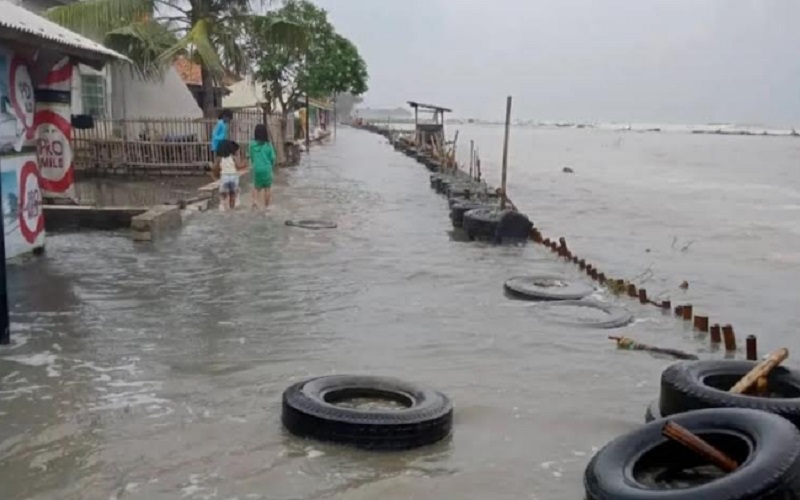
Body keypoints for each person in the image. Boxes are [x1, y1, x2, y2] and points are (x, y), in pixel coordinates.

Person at [249, 124, 276, 210]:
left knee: (256, 187)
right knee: (267, 188)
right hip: (267, 169)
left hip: (257, 169)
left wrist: (254, 163)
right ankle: (266, 206)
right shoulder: (268, 145)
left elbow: (251, 157)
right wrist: (271, 167)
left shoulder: (251, 145)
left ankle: (255, 202)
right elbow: (272, 158)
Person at [216, 140, 247, 211]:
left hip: (224, 178)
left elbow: (216, 168)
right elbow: (239, 166)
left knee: (223, 195)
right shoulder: (233, 157)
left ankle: (223, 207)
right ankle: (232, 207)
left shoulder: (220, 159)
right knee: (232, 194)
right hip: (233, 178)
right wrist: (245, 162)